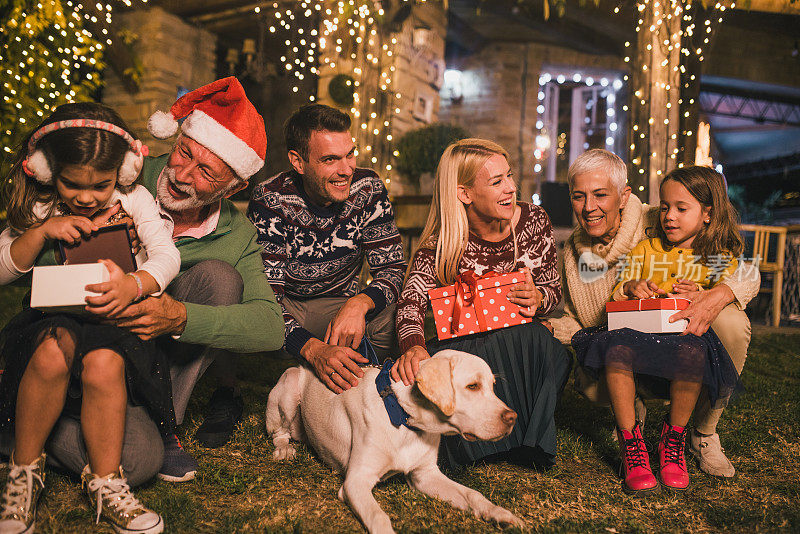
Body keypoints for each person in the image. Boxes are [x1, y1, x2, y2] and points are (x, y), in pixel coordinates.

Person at [0, 103, 180, 533]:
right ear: (45, 172)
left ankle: (107, 481)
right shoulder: (44, 206)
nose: (85, 197)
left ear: (123, 172)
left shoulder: (133, 199)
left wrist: (135, 284)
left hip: (113, 323)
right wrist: (40, 232)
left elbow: (167, 255)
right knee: (49, 354)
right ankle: (23, 471)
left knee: (104, 365)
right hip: (54, 319)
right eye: (71, 184)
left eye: (100, 186)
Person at [108, 77, 285, 481]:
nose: (182, 175)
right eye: (183, 153)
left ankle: (160, 419)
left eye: (206, 170)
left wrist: (182, 318)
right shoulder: (123, 177)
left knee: (220, 280)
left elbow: (271, 328)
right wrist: (99, 231)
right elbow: (40, 254)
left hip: (155, 366)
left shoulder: (237, 233)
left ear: (236, 185)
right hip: (92, 333)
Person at [550, 149, 759, 478]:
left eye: (600, 194)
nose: (589, 207)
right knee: (603, 363)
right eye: (579, 196)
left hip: (683, 344)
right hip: (624, 344)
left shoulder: (658, 220)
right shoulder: (580, 254)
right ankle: (633, 423)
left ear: (624, 195)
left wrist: (713, 295)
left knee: (730, 321)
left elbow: (746, 272)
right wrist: (564, 327)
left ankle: (701, 433)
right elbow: (585, 310)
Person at [393, 138, 571, 468]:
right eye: (496, 182)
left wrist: (539, 298)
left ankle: (529, 445)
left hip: (521, 342)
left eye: (509, 176)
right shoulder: (442, 242)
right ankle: (478, 450)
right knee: (442, 368)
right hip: (469, 348)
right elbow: (410, 302)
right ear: (464, 194)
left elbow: (552, 291)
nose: (510, 189)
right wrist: (413, 346)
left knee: (544, 344)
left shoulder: (533, 221)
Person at [247, 104, 405, 393]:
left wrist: (359, 304)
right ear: (298, 161)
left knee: (394, 312)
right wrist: (312, 349)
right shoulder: (271, 199)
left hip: (339, 310)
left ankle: (366, 384)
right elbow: (265, 297)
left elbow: (392, 269)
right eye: (330, 159)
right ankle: (246, 385)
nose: (346, 170)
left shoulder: (368, 187)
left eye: (350, 154)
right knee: (241, 299)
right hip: (284, 307)